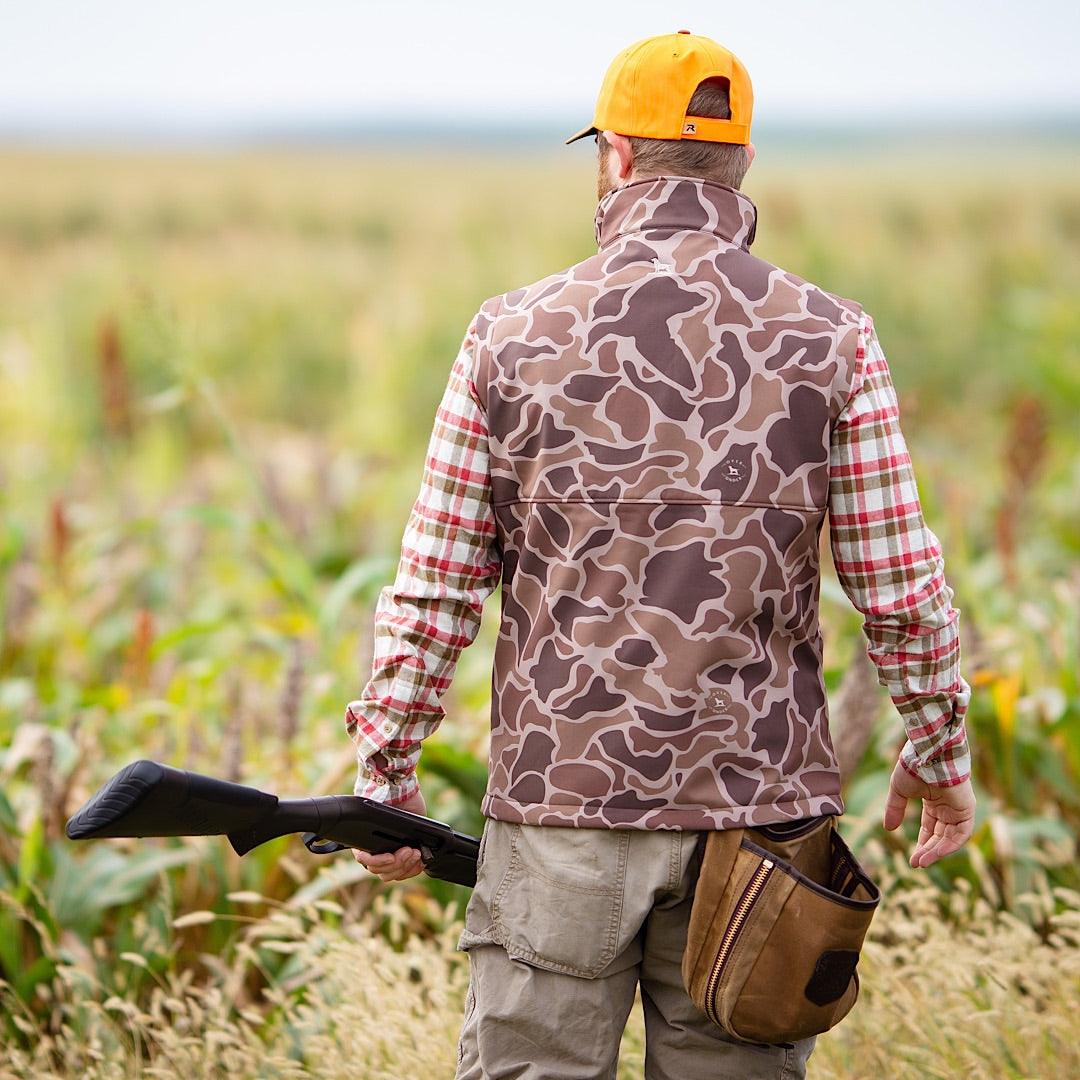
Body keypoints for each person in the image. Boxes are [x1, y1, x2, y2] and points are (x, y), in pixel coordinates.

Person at [344, 30, 976, 1080]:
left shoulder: (506, 336)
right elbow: (901, 591)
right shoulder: (835, 339)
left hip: (561, 819)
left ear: (618, 159)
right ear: (744, 165)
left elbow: (434, 590)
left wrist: (386, 770)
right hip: (758, 836)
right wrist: (939, 749)